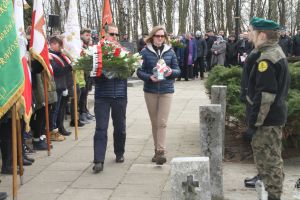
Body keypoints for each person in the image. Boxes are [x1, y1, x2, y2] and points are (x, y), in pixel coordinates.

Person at [244, 17, 290, 200]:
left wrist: (253, 125)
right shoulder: (272, 51)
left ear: (262, 35)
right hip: (273, 117)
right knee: (271, 160)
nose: (249, 35)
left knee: (269, 162)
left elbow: (265, 96)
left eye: (252, 32)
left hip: (267, 121)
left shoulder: (267, 59)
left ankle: (273, 195)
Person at [137, 26, 180, 165]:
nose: (160, 38)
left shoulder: (170, 51)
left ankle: (161, 151)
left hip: (166, 90)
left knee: (162, 122)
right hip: (150, 90)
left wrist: (170, 72)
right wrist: (149, 77)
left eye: (162, 36)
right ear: (152, 36)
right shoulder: (144, 52)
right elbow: (139, 71)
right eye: (157, 36)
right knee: (155, 122)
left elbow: (178, 70)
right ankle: (156, 151)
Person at [93, 24, 128, 173]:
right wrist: (103, 72)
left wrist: (125, 66)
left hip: (119, 95)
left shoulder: (124, 52)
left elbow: (130, 70)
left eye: (116, 35)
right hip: (102, 96)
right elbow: (92, 76)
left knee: (120, 128)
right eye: (112, 34)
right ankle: (98, 160)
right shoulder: (96, 52)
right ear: (105, 35)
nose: (114, 37)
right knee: (101, 128)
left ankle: (119, 153)